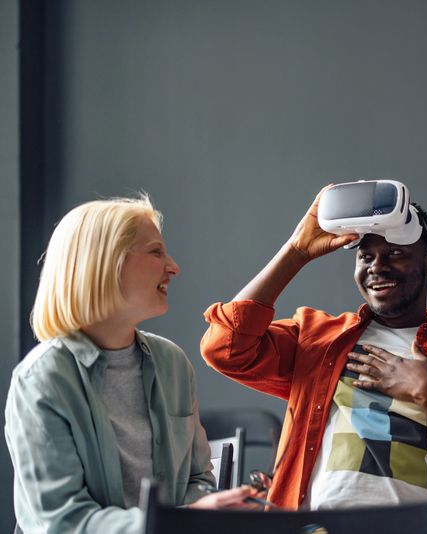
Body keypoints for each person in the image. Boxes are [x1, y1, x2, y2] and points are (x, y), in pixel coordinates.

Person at [199, 187, 427, 533]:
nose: (378, 267)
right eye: (366, 256)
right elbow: (224, 348)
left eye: (395, 253)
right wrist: (296, 252)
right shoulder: (317, 338)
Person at [5, 196, 264, 534]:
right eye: (156, 252)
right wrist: (182, 521)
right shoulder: (42, 379)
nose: (173, 266)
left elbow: (198, 479)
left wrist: (203, 511)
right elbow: (62, 521)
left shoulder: (172, 363)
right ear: (104, 263)